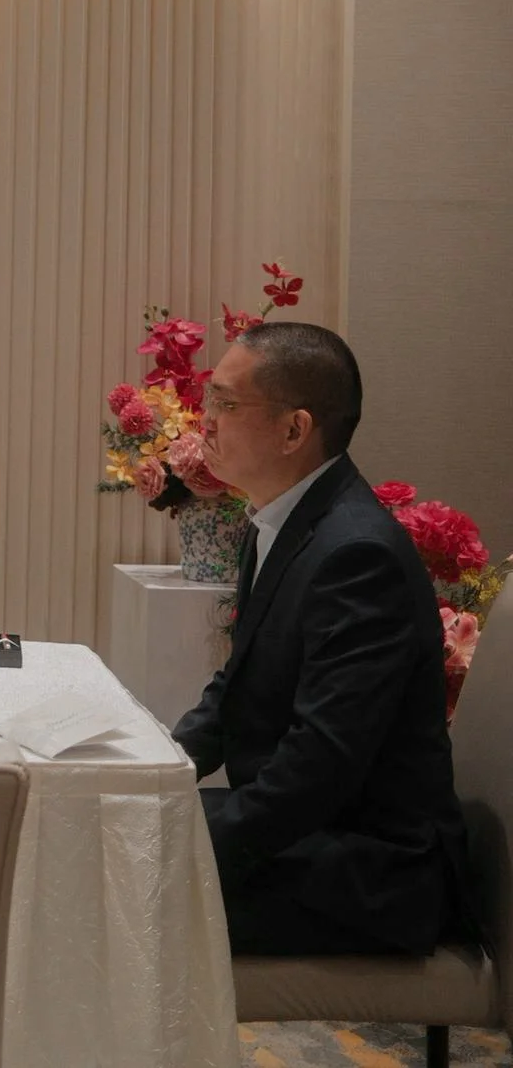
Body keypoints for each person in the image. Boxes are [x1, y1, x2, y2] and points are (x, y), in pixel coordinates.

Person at [173, 322, 466, 956]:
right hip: (309, 833)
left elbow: (320, 764)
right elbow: (234, 692)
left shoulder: (357, 553)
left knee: (116, 884)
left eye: (224, 404)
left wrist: (190, 854)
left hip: (375, 870)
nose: (205, 423)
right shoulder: (276, 522)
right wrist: (151, 775)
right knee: (114, 837)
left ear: (294, 430)